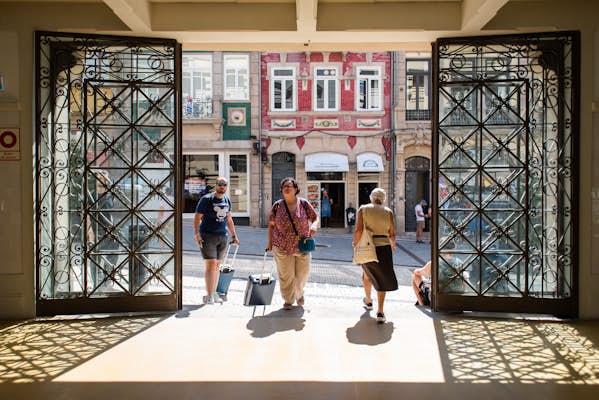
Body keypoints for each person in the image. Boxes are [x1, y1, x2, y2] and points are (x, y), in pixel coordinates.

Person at [267, 177, 318, 310]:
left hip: (302, 246)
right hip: (282, 246)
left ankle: (299, 293)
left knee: (302, 275)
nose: (287, 188)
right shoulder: (277, 205)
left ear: (295, 189)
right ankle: (288, 300)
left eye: (290, 186)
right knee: (286, 276)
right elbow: (271, 225)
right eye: (284, 186)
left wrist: (314, 226)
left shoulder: (304, 204)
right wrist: (270, 243)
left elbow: (315, 218)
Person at [353, 188, 397, 324]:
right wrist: (393, 245)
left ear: (371, 197)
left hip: (367, 246)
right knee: (382, 278)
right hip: (384, 247)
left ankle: (368, 300)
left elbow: (358, 230)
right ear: (383, 199)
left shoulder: (363, 209)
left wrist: (355, 245)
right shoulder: (388, 212)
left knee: (367, 274)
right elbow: (392, 233)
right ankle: (380, 311)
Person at [194, 177, 239, 304]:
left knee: (217, 266)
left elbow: (229, 219)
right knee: (211, 265)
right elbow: (197, 217)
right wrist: (197, 234)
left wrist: (234, 236)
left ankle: (214, 293)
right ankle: (209, 296)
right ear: (215, 185)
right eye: (220, 184)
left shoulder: (227, 200)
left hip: (222, 236)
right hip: (208, 236)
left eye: (224, 185)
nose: (222, 187)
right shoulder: (206, 199)